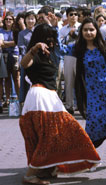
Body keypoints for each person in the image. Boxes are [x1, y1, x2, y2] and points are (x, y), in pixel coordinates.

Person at [19, 23, 101, 185]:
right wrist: (34, 49)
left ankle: (47, 168)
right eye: (47, 39)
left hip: (50, 99)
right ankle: (30, 175)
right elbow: (24, 64)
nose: (50, 42)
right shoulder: (35, 53)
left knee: (59, 132)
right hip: (40, 99)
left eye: (52, 38)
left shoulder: (52, 53)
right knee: (49, 136)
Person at [58, 17, 106, 169]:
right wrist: (58, 29)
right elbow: (60, 48)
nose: (88, 32)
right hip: (95, 96)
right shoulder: (77, 49)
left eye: (91, 29)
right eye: (85, 30)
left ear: (97, 31)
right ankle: (82, 155)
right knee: (95, 128)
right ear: (81, 32)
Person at [59, 7, 81, 114]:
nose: (73, 16)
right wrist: (69, 35)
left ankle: (82, 105)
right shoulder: (63, 29)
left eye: (75, 14)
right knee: (68, 82)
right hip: (68, 56)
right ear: (67, 16)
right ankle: (69, 105)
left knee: (81, 81)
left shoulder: (82, 27)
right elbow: (60, 43)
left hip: (80, 56)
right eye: (71, 14)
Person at [17, 11, 37, 109]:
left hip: (37, 61)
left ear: (35, 20)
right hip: (26, 60)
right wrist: (28, 56)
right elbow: (21, 47)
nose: (30, 21)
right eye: (28, 18)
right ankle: (23, 103)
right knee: (24, 82)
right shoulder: (21, 33)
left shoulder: (38, 31)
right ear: (25, 20)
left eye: (32, 18)